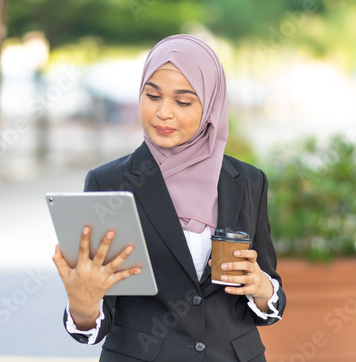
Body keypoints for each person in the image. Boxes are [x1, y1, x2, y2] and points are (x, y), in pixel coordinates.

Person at [52, 34, 286, 362]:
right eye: (152, 96)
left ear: (210, 105)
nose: (163, 113)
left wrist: (264, 290)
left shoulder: (246, 181)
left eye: (183, 102)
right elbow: (96, 310)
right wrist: (83, 307)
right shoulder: (109, 183)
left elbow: (268, 290)